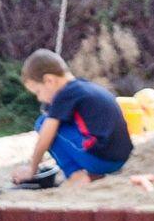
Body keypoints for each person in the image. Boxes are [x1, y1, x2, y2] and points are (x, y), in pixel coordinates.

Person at [16, 49, 132, 186]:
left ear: (49, 80)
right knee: (58, 124)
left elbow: (46, 136)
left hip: (100, 160)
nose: (39, 98)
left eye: (38, 91)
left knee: (43, 123)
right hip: (119, 160)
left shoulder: (65, 94)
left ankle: (75, 174)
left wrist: (32, 168)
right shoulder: (83, 87)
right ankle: (93, 175)